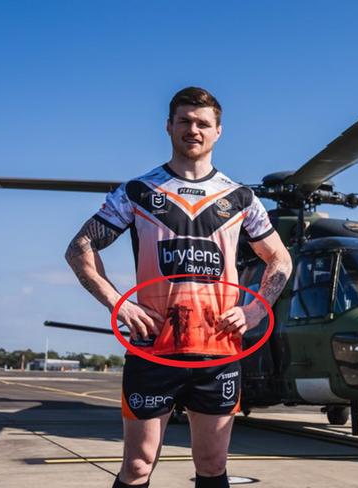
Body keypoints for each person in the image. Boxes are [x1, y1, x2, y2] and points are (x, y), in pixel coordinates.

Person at [65, 87, 292, 488]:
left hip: (217, 351)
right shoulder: (137, 192)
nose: (194, 129)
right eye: (185, 121)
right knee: (137, 466)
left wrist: (256, 311)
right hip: (154, 349)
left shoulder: (240, 197)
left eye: (203, 123)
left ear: (218, 131)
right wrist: (119, 304)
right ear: (169, 126)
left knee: (210, 463)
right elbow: (79, 248)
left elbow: (280, 260)